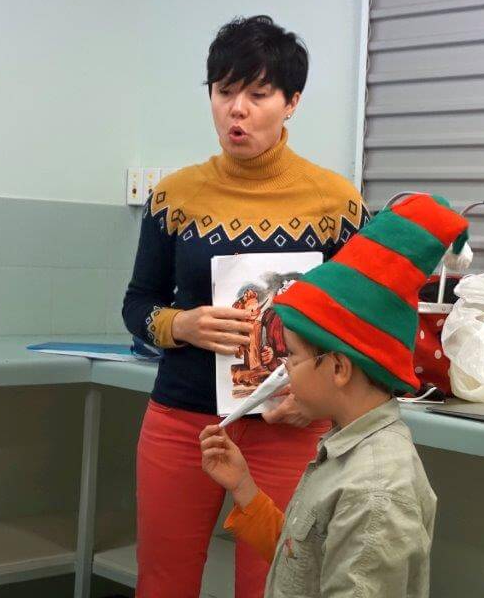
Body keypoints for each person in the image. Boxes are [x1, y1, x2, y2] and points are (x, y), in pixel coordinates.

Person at [122, 15, 369, 597]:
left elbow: (357, 328)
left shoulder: (335, 203)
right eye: (224, 91)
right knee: (163, 579)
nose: (237, 109)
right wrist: (181, 324)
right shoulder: (175, 196)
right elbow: (138, 305)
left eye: (258, 94)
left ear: (292, 102)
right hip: (183, 420)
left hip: (289, 423)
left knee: (275, 581)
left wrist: (316, 402)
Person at [201, 193, 469, 597]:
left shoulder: (374, 492)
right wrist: (243, 487)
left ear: (339, 368)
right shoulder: (345, 447)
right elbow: (301, 564)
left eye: (292, 356)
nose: (284, 369)